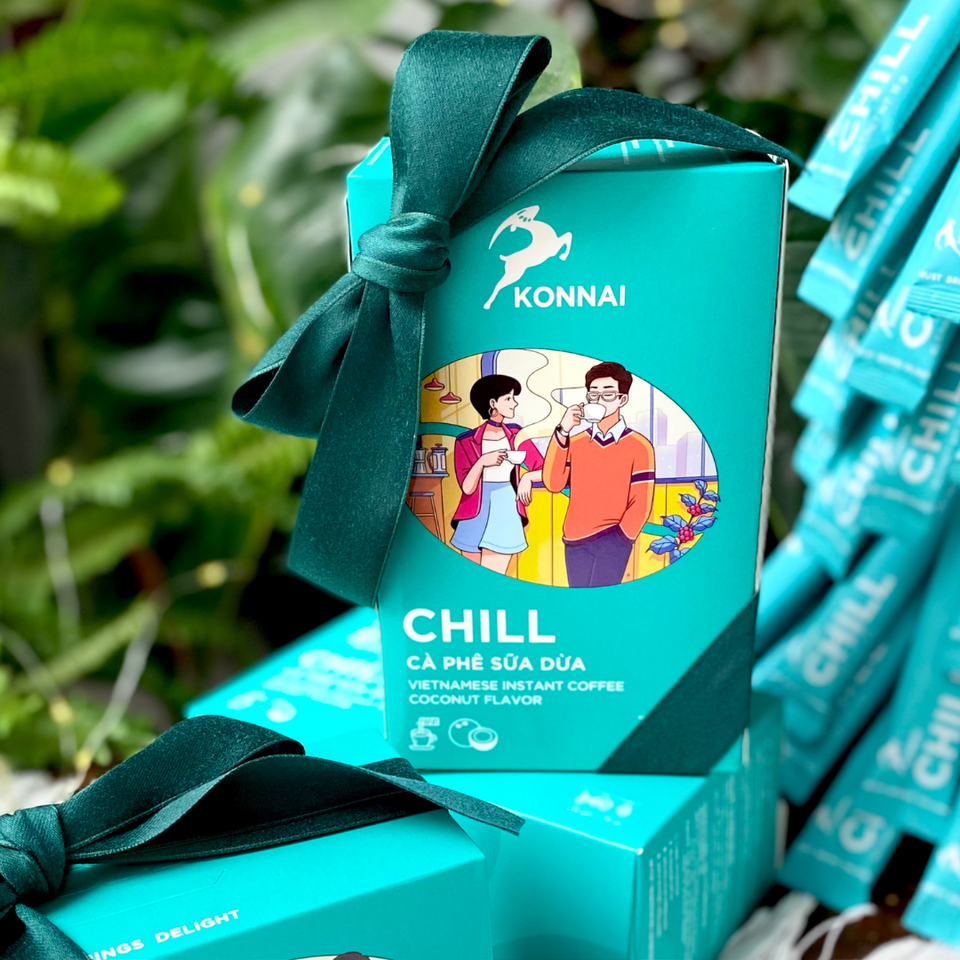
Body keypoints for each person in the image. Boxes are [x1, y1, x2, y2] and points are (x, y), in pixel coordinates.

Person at [543, 361, 656, 587]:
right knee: (579, 597)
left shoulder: (639, 446)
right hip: (574, 539)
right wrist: (563, 430)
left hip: (614, 538)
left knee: (602, 598)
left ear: (622, 399)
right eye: (593, 395)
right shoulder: (575, 442)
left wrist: (622, 538)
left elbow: (641, 502)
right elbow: (553, 483)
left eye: (608, 394)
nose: (599, 400)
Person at [451, 374, 544, 574]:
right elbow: (467, 488)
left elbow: (544, 469)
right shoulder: (465, 441)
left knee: (492, 577)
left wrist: (527, 478)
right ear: (493, 403)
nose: (514, 403)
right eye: (509, 398)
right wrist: (482, 462)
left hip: (505, 508)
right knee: (473, 578)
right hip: (473, 513)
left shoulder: (516, 434)